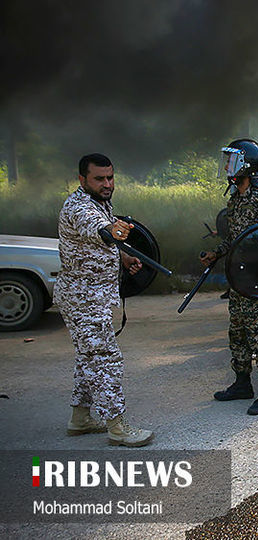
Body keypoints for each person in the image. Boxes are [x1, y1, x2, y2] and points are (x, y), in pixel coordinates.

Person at [55, 153, 154, 447]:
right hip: (83, 301)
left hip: (90, 297)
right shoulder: (79, 207)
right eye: (99, 178)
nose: (107, 183)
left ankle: (80, 419)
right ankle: (117, 427)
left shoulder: (100, 203)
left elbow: (96, 241)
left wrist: (123, 256)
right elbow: (95, 228)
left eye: (110, 177)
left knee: (88, 358)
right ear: (82, 179)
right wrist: (112, 230)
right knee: (104, 360)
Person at [201, 138, 258, 415]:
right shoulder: (235, 199)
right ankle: (241, 383)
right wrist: (217, 253)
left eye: (231, 160)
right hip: (240, 281)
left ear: (246, 164)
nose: (226, 165)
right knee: (238, 333)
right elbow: (236, 239)